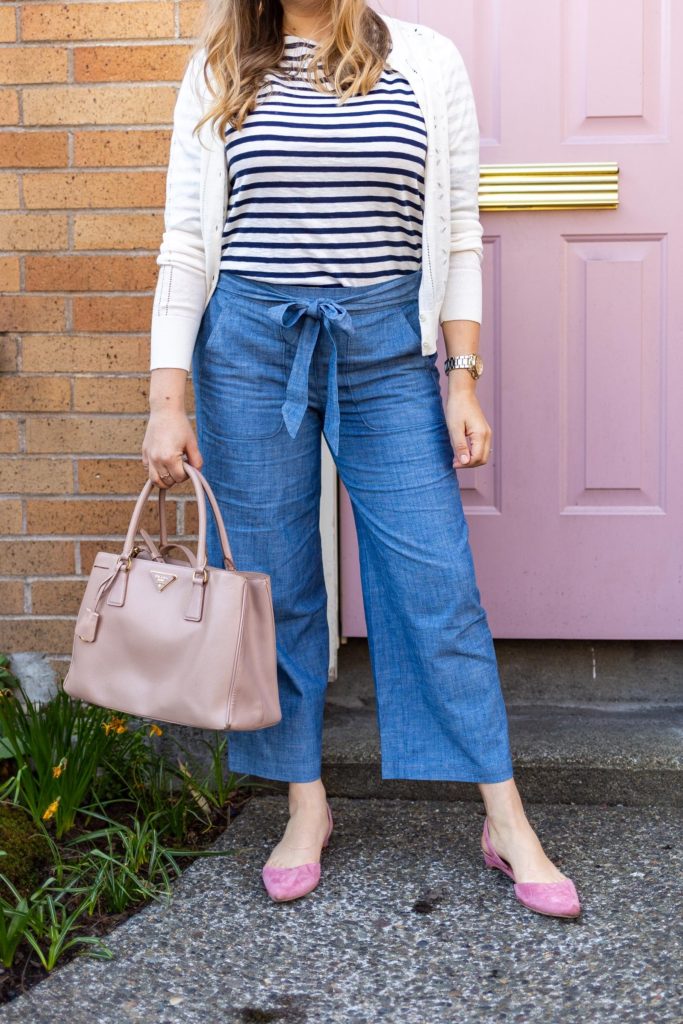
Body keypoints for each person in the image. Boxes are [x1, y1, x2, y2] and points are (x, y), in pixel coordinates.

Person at [142, 0, 581, 918]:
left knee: (435, 580)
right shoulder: (222, 63)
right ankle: (304, 804)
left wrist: (460, 378)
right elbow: (187, 242)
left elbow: (457, 227)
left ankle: (505, 818)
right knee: (275, 578)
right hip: (248, 346)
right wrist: (166, 400)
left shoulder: (422, 60)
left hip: (386, 344)